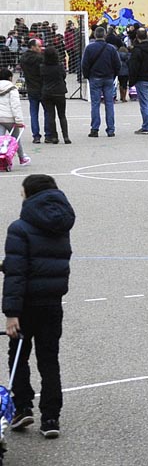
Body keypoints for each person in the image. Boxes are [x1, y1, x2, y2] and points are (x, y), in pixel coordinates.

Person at [3, 174, 76, 439]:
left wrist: (11, 313)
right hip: (52, 302)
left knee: (18, 355)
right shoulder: (60, 224)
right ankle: (51, 416)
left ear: (29, 194)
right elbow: (45, 260)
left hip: (25, 305)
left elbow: (17, 274)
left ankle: (22, 407)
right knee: (49, 359)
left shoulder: (20, 227)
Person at [81, 27, 120, 138]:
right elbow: (118, 64)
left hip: (95, 78)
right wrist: (113, 75)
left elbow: (84, 64)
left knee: (95, 104)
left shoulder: (89, 48)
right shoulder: (111, 49)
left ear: (94, 35)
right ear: (105, 35)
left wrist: (88, 76)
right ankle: (111, 129)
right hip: (108, 78)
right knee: (109, 104)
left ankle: (95, 129)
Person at [20, 38, 52, 144]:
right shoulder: (40, 58)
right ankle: (48, 134)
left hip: (31, 87)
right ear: (33, 47)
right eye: (38, 46)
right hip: (42, 87)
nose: (40, 48)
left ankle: (36, 136)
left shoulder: (23, 58)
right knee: (47, 111)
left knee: (33, 113)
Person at [0, 68, 31, 166]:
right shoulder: (12, 89)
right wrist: (19, 120)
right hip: (10, 118)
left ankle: (2, 158)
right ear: (10, 77)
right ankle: (22, 158)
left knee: (1, 140)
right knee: (15, 139)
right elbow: (15, 105)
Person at [39, 47, 70, 145]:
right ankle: (66, 136)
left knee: (50, 116)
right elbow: (63, 76)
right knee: (62, 115)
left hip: (47, 92)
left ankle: (54, 137)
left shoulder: (42, 67)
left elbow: (41, 78)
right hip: (59, 91)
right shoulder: (60, 66)